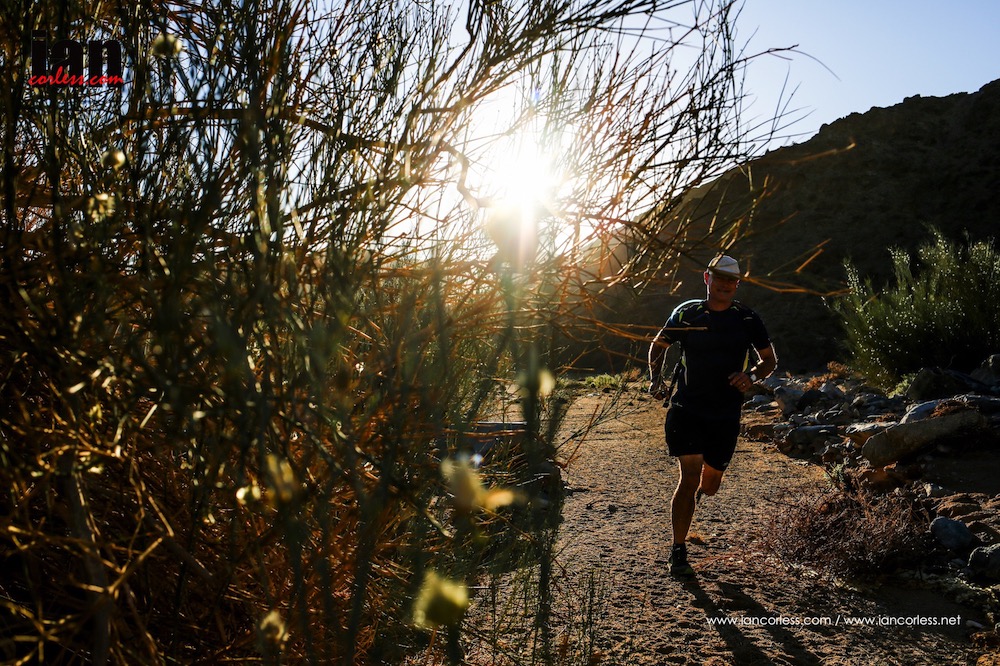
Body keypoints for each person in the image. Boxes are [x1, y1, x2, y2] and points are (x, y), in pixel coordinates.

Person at [648, 255, 777, 576]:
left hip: (725, 412)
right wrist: (655, 379)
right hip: (687, 407)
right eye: (719, 277)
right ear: (707, 278)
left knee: (711, 484)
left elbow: (769, 360)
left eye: (731, 279)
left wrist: (751, 376)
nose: (724, 284)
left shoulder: (746, 318)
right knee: (689, 477)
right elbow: (659, 345)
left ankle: (700, 492)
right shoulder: (686, 313)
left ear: (737, 284)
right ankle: (678, 550)